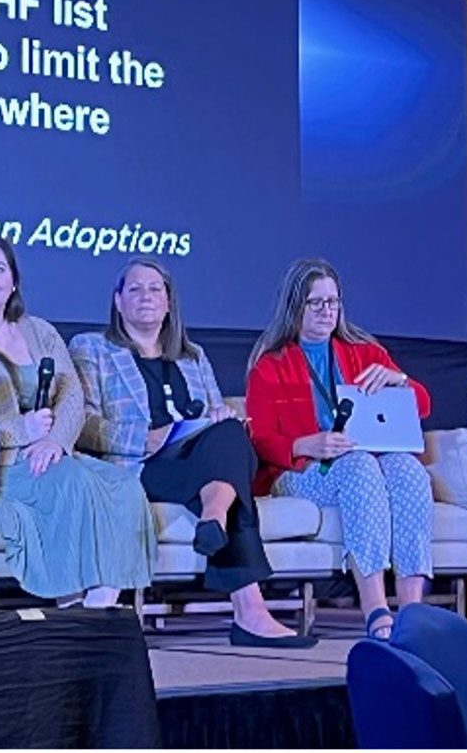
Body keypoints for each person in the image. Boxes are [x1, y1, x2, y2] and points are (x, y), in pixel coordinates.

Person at [70, 257, 315, 647]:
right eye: (134, 289)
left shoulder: (193, 356)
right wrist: (144, 439)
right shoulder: (92, 349)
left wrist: (219, 413)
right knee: (228, 470)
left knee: (231, 429)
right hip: (144, 465)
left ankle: (214, 516)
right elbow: (80, 422)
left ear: (169, 302)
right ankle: (249, 610)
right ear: (117, 302)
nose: (145, 297)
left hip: (198, 459)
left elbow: (219, 413)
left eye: (155, 289)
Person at [0, 236, 155, 607]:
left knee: (123, 484)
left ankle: (100, 610)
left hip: (52, 454)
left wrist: (53, 441)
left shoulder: (39, 330)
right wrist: (21, 430)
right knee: (69, 482)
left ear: (13, 281)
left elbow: (71, 394)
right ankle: (69, 605)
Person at [245, 258, 433, 640]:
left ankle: (413, 612)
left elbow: (424, 405)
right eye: (316, 303)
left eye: (333, 302)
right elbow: (260, 438)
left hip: (367, 461)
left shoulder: (364, 352)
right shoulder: (270, 365)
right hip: (300, 470)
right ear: (294, 306)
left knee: (409, 470)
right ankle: (376, 607)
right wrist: (305, 444)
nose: (327, 311)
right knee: (358, 465)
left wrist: (399, 380)